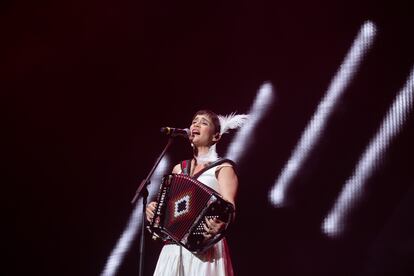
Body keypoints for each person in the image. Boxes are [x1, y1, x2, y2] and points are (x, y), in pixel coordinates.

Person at [146, 109, 248, 276]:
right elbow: (168, 210)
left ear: (216, 136)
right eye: (194, 121)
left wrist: (222, 222)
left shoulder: (223, 168)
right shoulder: (179, 169)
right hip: (172, 249)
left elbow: (230, 207)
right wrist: (154, 209)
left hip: (205, 250)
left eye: (204, 122)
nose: (196, 124)